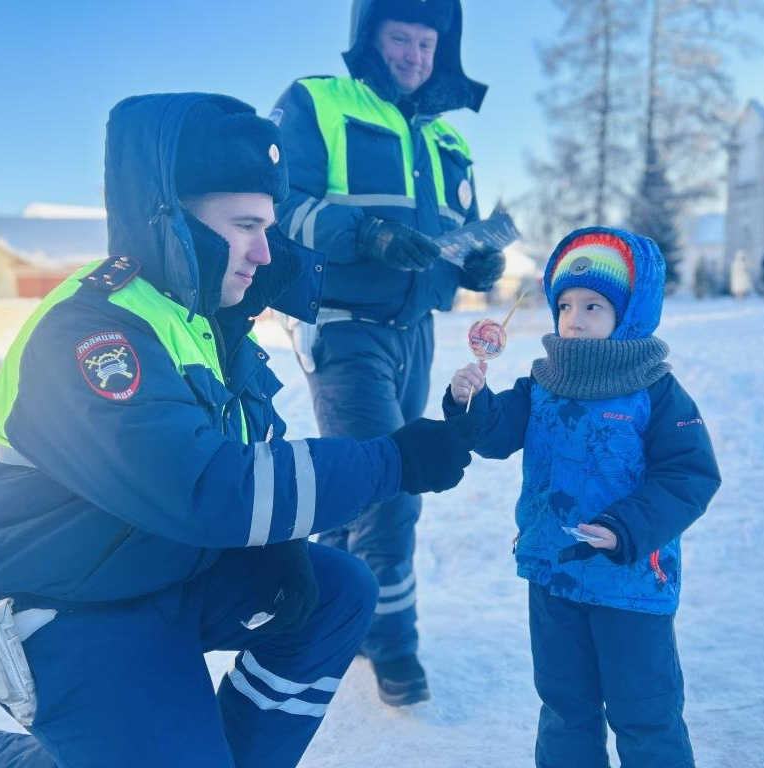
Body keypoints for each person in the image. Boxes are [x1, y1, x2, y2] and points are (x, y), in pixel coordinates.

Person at [0, 93, 477, 768]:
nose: (264, 251)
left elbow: (255, 451)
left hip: (158, 568)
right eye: (246, 225)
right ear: (171, 217)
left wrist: (276, 544)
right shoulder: (95, 332)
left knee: (340, 591)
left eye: (268, 226)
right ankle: (7, 759)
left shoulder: (209, 321)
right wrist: (391, 461)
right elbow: (205, 487)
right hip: (65, 603)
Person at [271, 0, 503, 706]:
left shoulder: (447, 142)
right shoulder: (317, 101)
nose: (412, 54)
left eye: (426, 42)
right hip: (344, 328)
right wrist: (366, 235)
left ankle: (322, 609)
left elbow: (459, 232)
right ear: (370, 38)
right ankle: (393, 645)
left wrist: (475, 265)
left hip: (416, 333)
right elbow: (280, 203)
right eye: (399, 36)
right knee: (393, 482)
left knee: (356, 484)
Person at [444, 228, 721, 767]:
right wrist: (470, 402)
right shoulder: (541, 383)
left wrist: (626, 527)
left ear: (630, 313)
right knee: (565, 706)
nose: (574, 318)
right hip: (555, 575)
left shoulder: (655, 391)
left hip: (630, 583)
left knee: (644, 712)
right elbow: (497, 436)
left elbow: (690, 474)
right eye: (565, 304)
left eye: (594, 305)